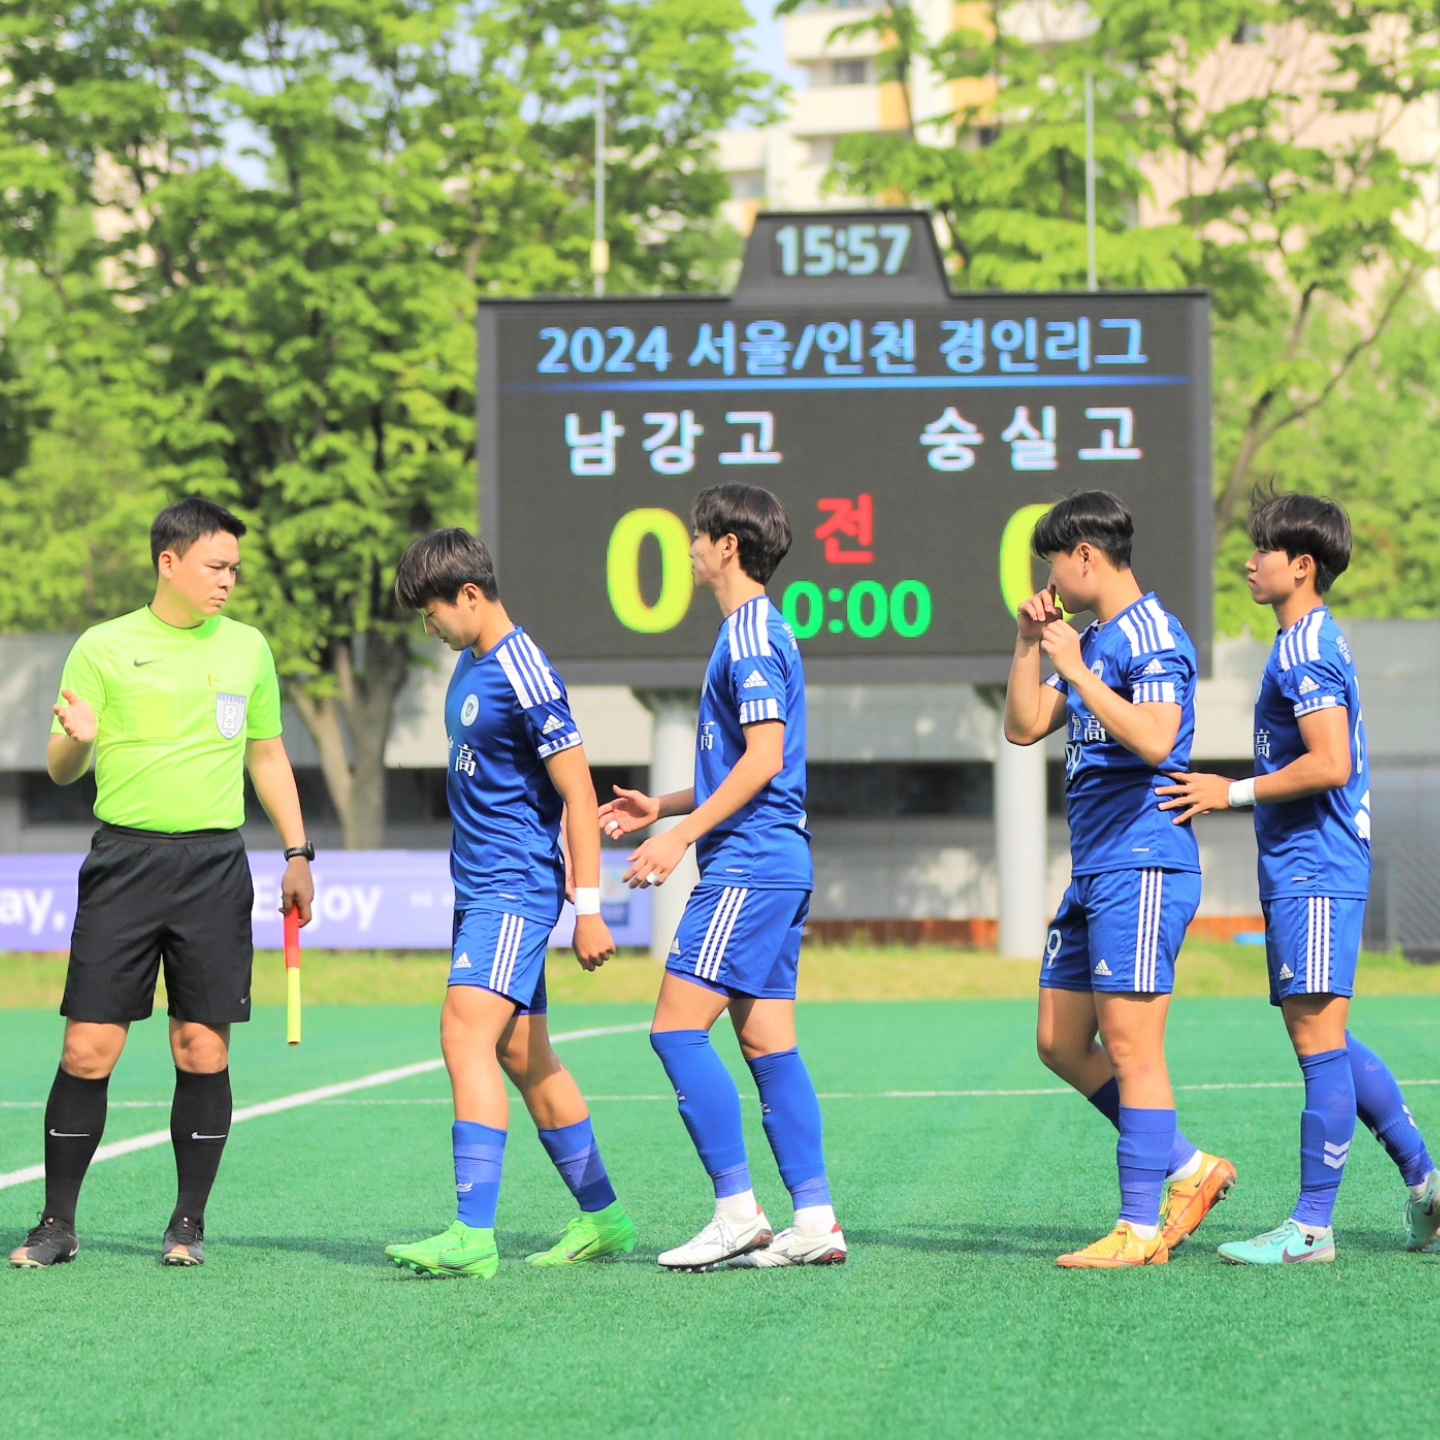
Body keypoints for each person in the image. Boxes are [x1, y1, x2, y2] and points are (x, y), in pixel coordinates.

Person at [9, 498, 315, 1269]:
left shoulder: (247, 648)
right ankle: (56, 1225)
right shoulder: (103, 646)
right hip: (124, 864)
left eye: (235, 568)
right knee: (88, 1049)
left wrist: (298, 852)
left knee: (201, 1048)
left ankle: (187, 1225)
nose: (228, 580)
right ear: (168, 562)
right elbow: (60, 766)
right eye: (215, 566)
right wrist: (77, 742)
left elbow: (267, 754)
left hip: (214, 868)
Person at [1159, 492, 1440, 1264]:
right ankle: (1427, 1186)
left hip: (1316, 865)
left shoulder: (1305, 647)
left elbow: (1331, 763)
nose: (1250, 562)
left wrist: (1230, 791)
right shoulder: (1307, 639)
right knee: (1326, 1033)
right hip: (1307, 864)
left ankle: (1312, 1228)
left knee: (1317, 1039)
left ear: (1303, 566)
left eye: (1264, 550)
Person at [599, 482, 842, 1272]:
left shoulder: (750, 634)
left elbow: (764, 759)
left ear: (727, 546)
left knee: (675, 1030)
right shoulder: (755, 630)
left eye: (698, 535)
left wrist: (680, 835)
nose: (690, 547)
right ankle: (816, 1220)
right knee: (769, 1043)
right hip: (775, 863)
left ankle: (737, 1212)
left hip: (749, 864)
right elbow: (747, 761)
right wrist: (662, 805)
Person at [384, 529, 635, 1279]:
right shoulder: (471, 662)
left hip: (513, 888)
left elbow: (579, 794)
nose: (428, 627)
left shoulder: (526, 672)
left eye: (431, 612)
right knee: (525, 1055)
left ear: (469, 595)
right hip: (480, 891)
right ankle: (606, 1218)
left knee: (463, 1034)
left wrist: (590, 908)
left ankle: (472, 1235)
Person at [1004, 490, 1234, 1269]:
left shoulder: (1153, 635)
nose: (1050, 582)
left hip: (1142, 863)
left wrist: (1075, 666)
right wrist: (1031, 645)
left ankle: (1139, 1228)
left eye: (1053, 564)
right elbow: (1023, 727)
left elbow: (1159, 738)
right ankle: (1188, 1167)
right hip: (1095, 869)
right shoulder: (1094, 638)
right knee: (1060, 1041)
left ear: (1086, 556)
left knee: (1133, 1048)